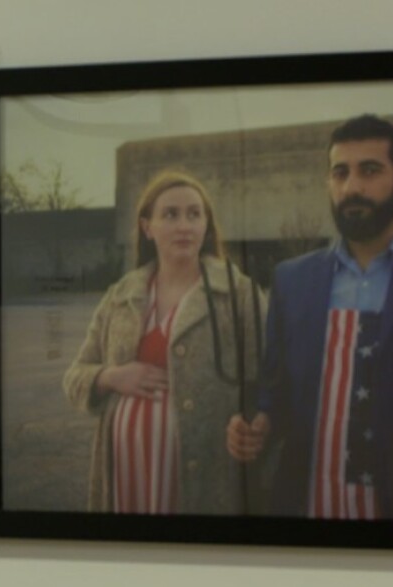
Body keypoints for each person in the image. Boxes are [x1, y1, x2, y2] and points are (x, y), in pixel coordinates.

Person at [227, 115, 393, 520]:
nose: (351, 187)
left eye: (370, 171)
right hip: (308, 510)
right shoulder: (291, 280)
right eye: (340, 173)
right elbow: (275, 390)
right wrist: (259, 424)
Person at [64, 169, 266, 515]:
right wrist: (110, 376)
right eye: (170, 214)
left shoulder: (239, 294)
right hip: (124, 476)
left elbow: (268, 382)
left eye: (194, 214)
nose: (184, 225)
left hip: (204, 479)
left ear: (206, 225)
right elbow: (74, 376)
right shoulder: (120, 296)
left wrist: (258, 424)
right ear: (148, 227)